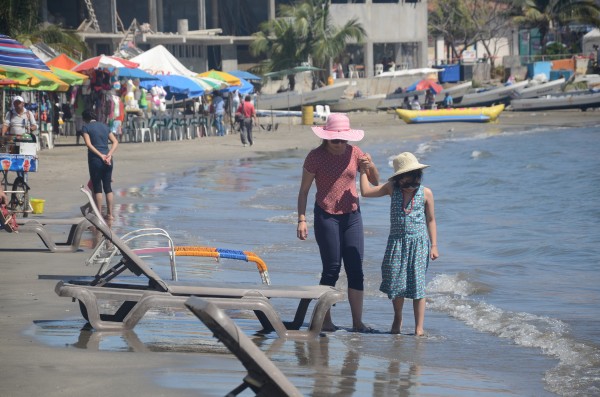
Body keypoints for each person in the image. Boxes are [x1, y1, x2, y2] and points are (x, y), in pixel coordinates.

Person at [297, 113, 380, 332]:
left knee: (355, 269)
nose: (340, 144)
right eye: (335, 140)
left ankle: (357, 322)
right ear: (326, 138)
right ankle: (325, 320)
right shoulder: (315, 157)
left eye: (343, 139)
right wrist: (302, 219)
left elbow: (375, 181)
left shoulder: (355, 153)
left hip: (352, 215)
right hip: (326, 215)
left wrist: (370, 165)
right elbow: (304, 191)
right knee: (332, 268)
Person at [359, 152, 438, 336]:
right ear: (398, 179)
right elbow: (366, 192)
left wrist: (434, 245)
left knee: (418, 286)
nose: (412, 186)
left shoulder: (426, 193)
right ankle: (398, 317)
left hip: (419, 244)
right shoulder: (391, 189)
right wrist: (363, 170)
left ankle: (419, 327)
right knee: (396, 283)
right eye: (407, 183)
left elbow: (431, 220)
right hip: (396, 243)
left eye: (415, 181)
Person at [81, 109, 119, 220]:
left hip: (95, 160)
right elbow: (115, 142)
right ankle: (110, 214)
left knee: (97, 188)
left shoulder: (86, 128)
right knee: (108, 187)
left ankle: (98, 215)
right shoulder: (105, 126)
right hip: (108, 160)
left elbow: (88, 144)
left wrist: (100, 155)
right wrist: (109, 155)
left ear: (85, 119)